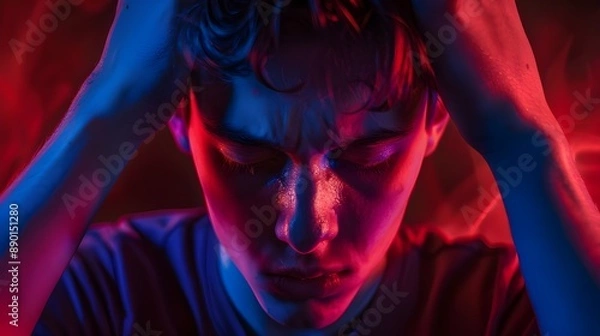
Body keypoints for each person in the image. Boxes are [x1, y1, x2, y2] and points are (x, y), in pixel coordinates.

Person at [0, 0, 598, 335]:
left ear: (436, 120)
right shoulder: (97, 292)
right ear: (177, 119)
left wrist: (527, 140)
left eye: (369, 156)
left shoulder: (496, 310)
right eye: (251, 159)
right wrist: (101, 113)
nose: (306, 229)